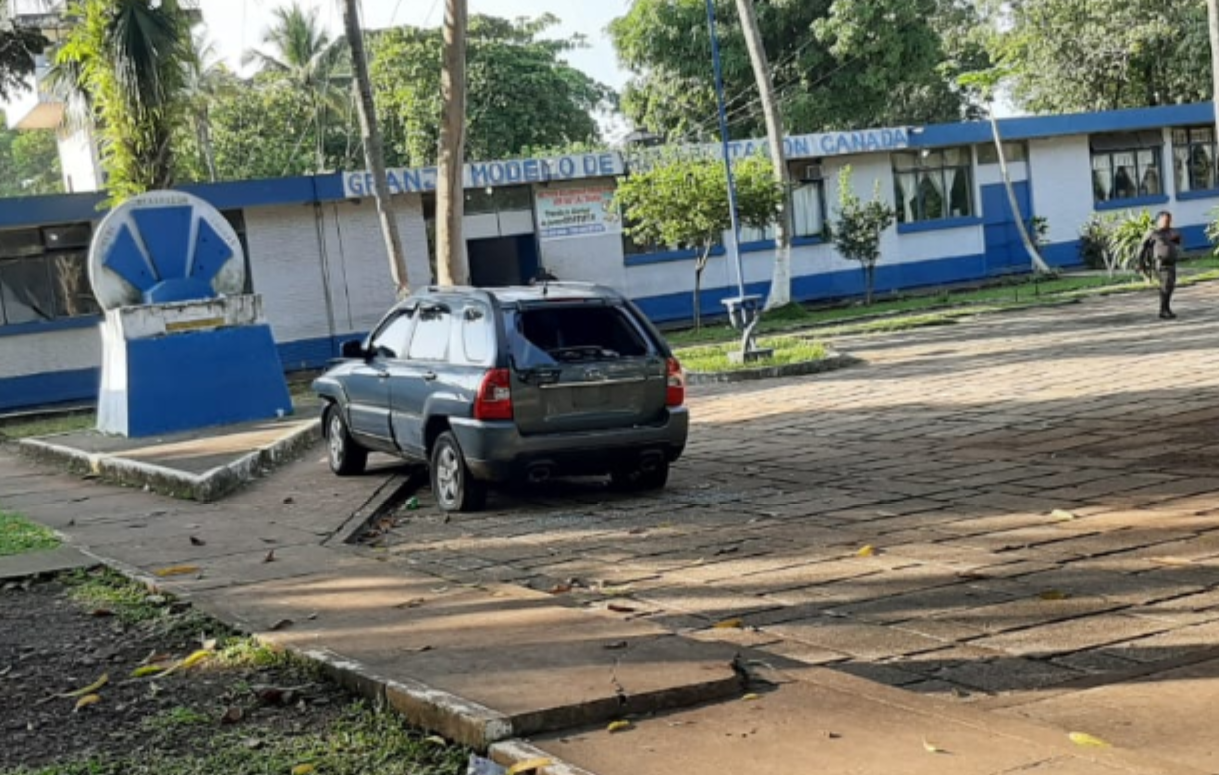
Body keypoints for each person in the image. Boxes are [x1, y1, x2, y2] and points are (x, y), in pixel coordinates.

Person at [1141, 210, 1183, 320]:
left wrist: (1176, 237)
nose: (1168, 222)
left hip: (1171, 263)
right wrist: (1141, 264)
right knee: (1165, 286)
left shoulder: (1171, 232)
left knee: (1170, 287)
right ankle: (1164, 310)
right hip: (1161, 264)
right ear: (1158, 220)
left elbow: (1178, 241)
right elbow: (1142, 249)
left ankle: (1166, 308)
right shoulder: (1153, 233)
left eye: (1169, 220)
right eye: (1165, 220)